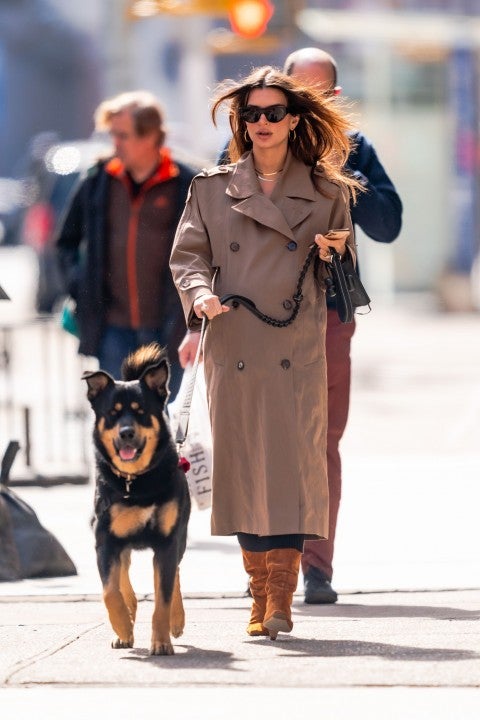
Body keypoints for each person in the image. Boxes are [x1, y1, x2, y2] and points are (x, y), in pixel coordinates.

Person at [170, 65, 362, 640]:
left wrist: (335, 251)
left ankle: (281, 595)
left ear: (294, 119)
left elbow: (345, 268)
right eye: (250, 114)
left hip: (293, 343)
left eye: (274, 112)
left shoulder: (329, 191)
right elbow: (189, 256)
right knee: (242, 467)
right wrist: (199, 295)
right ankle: (260, 595)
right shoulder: (210, 188)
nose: (262, 122)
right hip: (233, 340)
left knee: (290, 468)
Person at [283, 47, 403, 604]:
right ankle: (268, 564)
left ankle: (316, 567)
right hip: (264, 318)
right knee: (267, 441)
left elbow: (389, 223)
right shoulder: (253, 136)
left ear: (334, 97)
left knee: (322, 441)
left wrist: (346, 179)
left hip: (330, 315)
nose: (303, 106)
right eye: (294, 93)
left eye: (317, 95)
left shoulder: (355, 149)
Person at [56, 90, 196, 399]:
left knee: (164, 425)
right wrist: (79, 285)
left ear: (149, 137)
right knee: (117, 424)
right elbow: (65, 242)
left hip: (168, 329)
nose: (114, 143)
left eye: (122, 135)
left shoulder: (186, 183)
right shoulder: (97, 181)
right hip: (112, 331)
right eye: (112, 135)